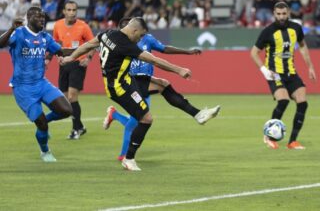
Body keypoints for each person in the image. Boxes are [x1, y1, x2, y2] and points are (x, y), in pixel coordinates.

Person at [60, 17, 220, 171]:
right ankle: (128, 158)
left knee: (161, 86)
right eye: (141, 35)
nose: (141, 38)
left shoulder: (107, 34)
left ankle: (198, 115)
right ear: (134, 30)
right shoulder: (125, 44)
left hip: (127, 80)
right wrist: (179, 69)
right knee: (146, 119)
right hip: (119, 88)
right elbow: (154, 60)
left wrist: (71, 57)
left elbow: (88, 45)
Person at [103, 17, 220, 161]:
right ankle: (125, 155)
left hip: (142, 79)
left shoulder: (147, 38)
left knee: (139, 119)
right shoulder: (121, 42)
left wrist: (187, 52)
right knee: (144, 113)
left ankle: (115, 120)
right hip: (130, 81)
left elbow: (164, 49)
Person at [0, 7, 72, 162]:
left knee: (66, 110)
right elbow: (0, 44)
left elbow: (61, 51)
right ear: (30, 17)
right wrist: (11, 27)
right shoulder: (19, 34)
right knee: (43, 127)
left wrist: (86, 48)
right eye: (39, 17)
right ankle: (45, 151)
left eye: (43, 18)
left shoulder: (45, 37)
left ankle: (43, 120)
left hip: (41, 83)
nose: (42, 20)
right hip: (23, 88)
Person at [250, 2, 317, 150]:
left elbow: (303, 46)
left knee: (303, 103)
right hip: (275, 73)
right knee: (283, 101)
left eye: (284, 14)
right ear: (274, 13)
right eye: (278, 14)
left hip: (291, 73)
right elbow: (253, 53)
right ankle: (269, 137)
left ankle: (292, 141)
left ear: (288, 13)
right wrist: (264, 71)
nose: (281, 17)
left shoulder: (296, 28)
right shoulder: (268, 32)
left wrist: (310, 67)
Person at [46, 1, 95, 140]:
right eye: (69, 10)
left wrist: (88, 58)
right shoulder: (57, 25)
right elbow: (54, 44)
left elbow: (93, 44)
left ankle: (75, 129)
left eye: (74, 10)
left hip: (78, 64)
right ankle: (80, 126)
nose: (72, 12)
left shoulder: (83, 27)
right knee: (67, 100)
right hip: (63, 64)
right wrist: (48, 59)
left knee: (72, 97)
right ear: (64, 11)